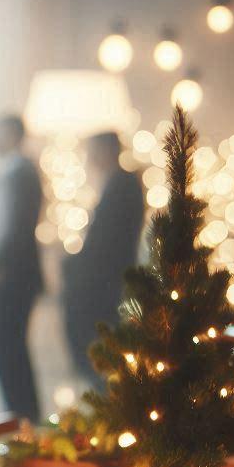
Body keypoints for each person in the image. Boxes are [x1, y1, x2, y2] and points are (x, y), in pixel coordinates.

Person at [61, 131, 144, 386]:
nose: (89, 158)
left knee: (101, 356)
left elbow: (106, 244)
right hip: (106, 282)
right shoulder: (118, 183)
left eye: (92, 150)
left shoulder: (122, 185)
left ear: (106, 150)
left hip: (104, 285)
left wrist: (74, 268)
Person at [0, 115, 43, 419]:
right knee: (10, 349)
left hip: (9, 276)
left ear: (13, 134)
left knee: (7, 349)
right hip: (14, 274)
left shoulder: (18, 172)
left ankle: (21, 419)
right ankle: (20, 417)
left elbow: (10, 228)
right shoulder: (17, 171)